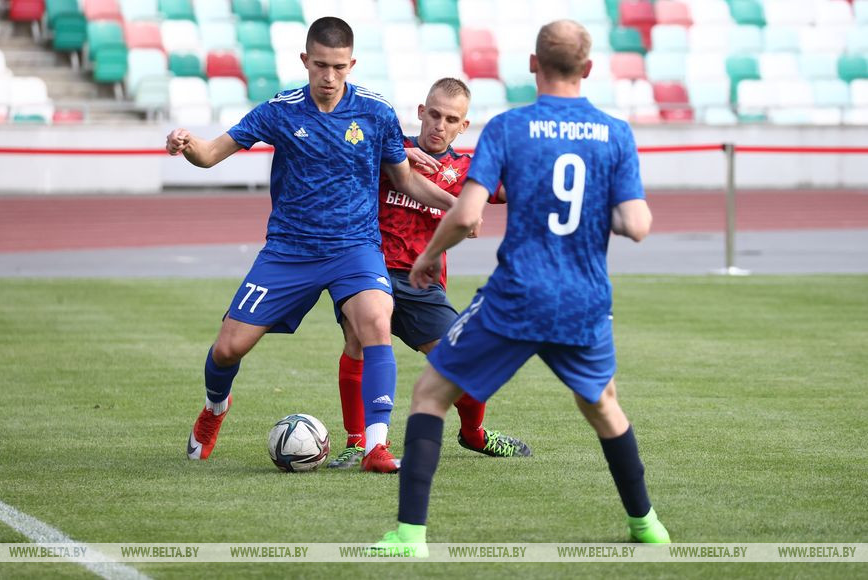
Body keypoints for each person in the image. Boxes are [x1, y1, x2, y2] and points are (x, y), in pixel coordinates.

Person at [374, 20, 670, 552]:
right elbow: (638, 225)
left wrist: (429, 257)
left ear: (533, 64)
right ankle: (647, 525)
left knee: (430, 394)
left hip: (516, 296)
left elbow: (467, 216)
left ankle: (409, 536)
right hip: (583, 299)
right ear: (588, 69)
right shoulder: (615, 133)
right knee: (603, 405)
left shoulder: (509, 128)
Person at [166, 17, 457, 473]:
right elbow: (209, 154)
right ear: (305, 60)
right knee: (228, 349)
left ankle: (375, 448)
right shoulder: (280, 111)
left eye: (339, 67)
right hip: (289, 250)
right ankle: (214, 408)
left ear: (352, 65)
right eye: (320, 65)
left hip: (355, 248)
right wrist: (186, 144)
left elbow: (404, 179)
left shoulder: (376, 112)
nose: (329, 76)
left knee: (376, 321)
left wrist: (454, 205)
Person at [327, 78, 532, 470]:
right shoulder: (391, 150)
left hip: (421, 283)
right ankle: (357, 443)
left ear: (463, 126)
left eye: (451, 119)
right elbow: (342, 147)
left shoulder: (466, 170)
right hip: (368, 267)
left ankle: (474, 434)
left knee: (464, 363)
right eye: (434, 114)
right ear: (421, 112)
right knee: (357, 340)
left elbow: (514, 189)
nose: (440, 125)